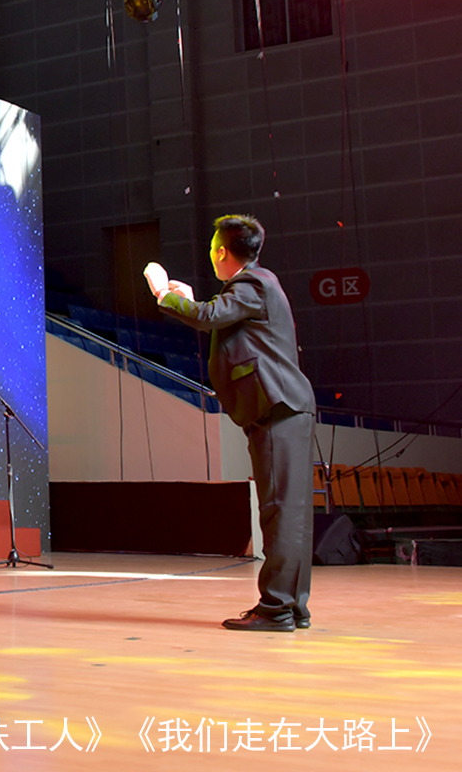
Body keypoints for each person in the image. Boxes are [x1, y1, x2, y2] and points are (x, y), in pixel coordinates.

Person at [146, 214, 316, 633]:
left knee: (280, 511)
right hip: (285, 407)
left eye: (211, 248)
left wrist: (163, 294)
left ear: (221, 251)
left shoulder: (253, 283)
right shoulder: (256, 285)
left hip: (277, 407)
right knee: (290, 512)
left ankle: (276, 608)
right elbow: (217, 315)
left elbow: (208, 316)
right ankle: (292, 606)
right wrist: (191, 300)